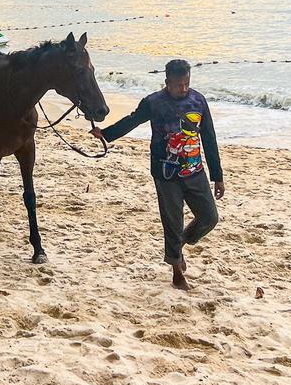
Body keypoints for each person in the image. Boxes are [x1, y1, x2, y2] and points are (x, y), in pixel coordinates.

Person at [90, 59, 224, 291]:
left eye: (186, 83)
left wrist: (217, 175)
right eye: (178, 84)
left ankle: (180, 242)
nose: (183, 89)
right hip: (166, 174)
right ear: (167, 82)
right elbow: (132, 121)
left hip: (195, 171)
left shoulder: (198, 100)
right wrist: (106, 134)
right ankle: (176, 271)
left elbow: (209, 138)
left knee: (209, 217)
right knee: (172, 221)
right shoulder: (154, 102)